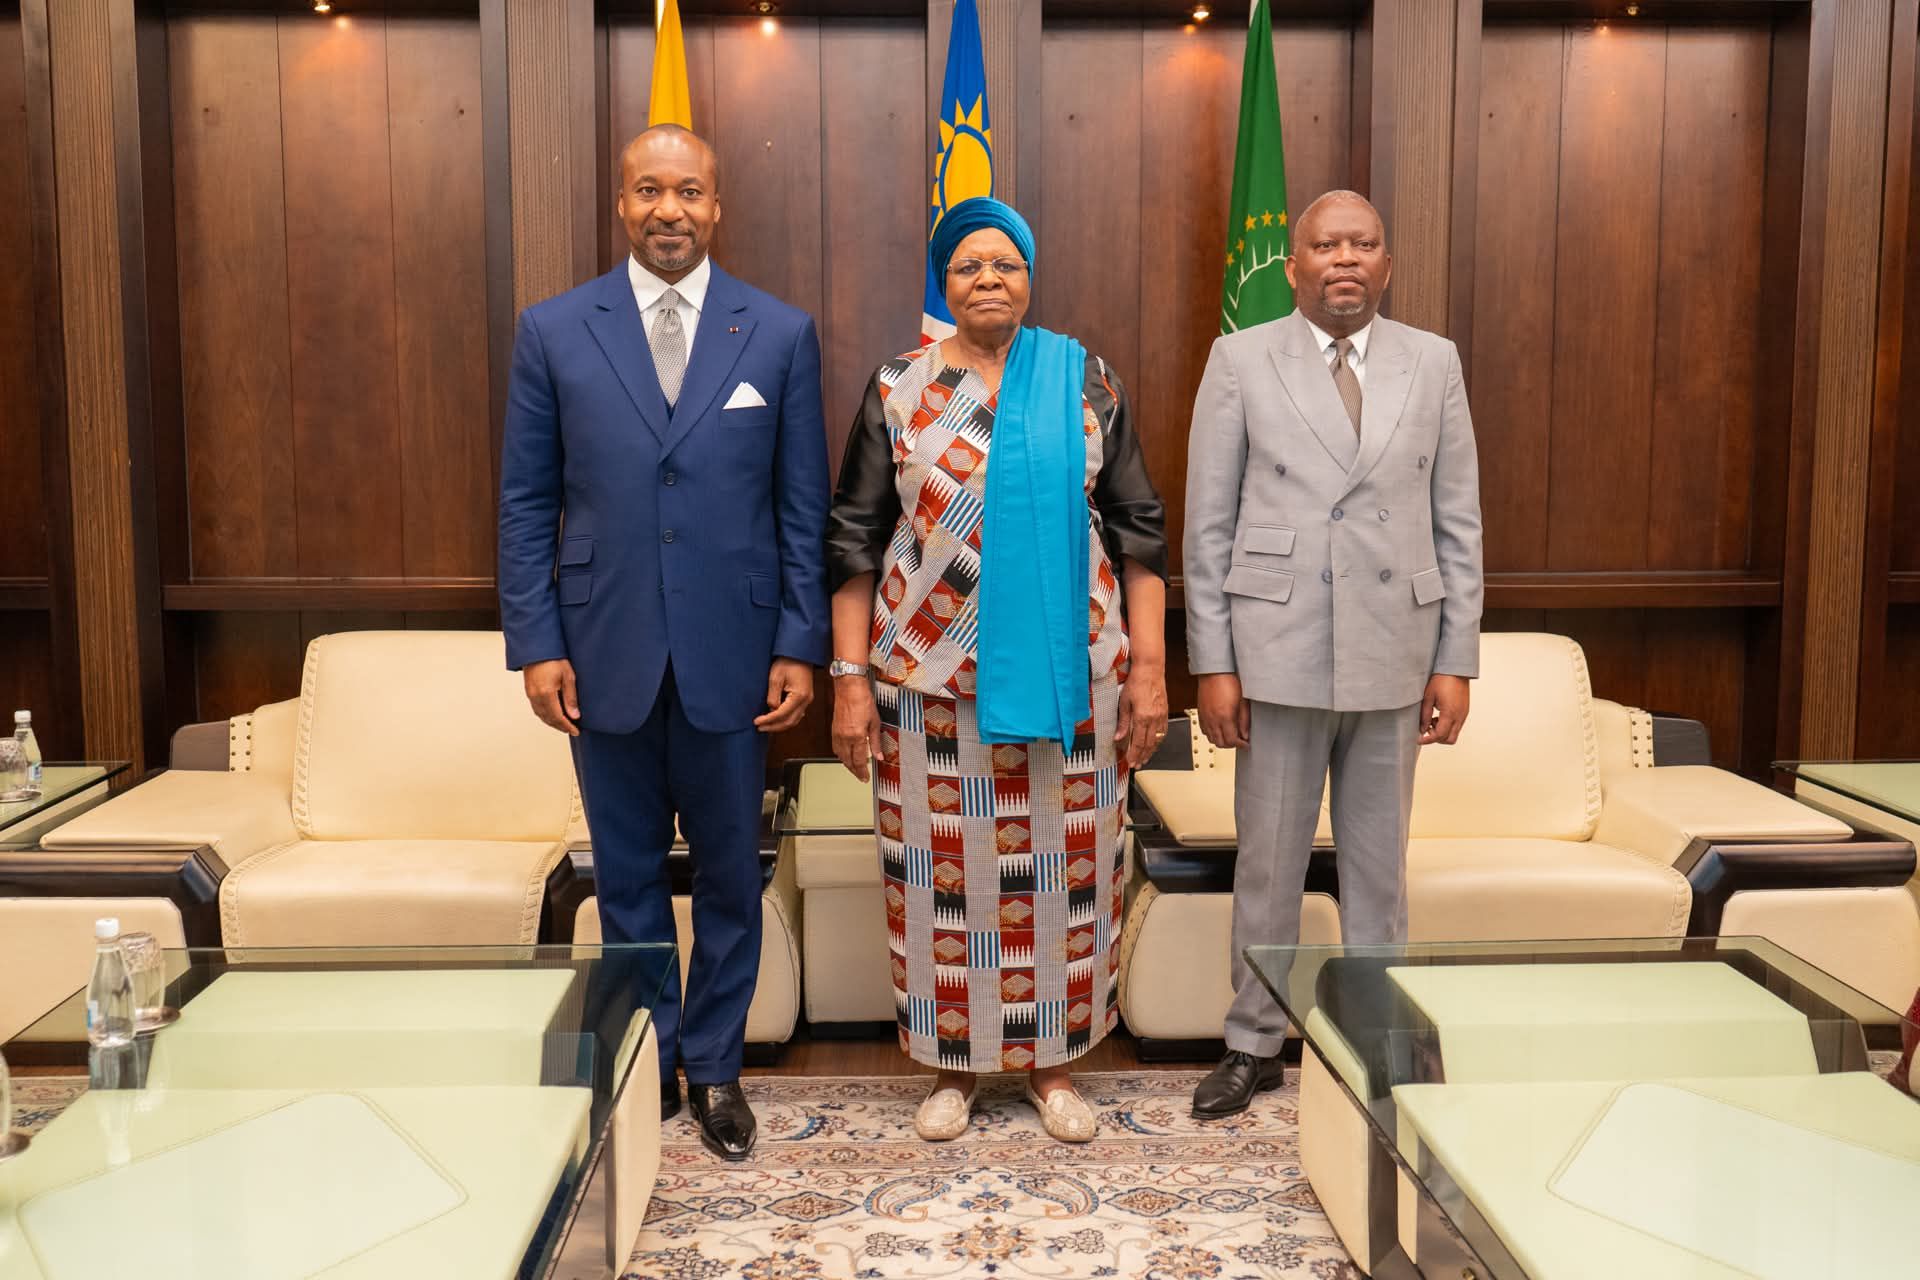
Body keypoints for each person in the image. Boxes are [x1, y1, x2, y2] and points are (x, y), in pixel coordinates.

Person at [497, 125, 830, 1160]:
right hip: (602, 656)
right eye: (650, 190)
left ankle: (717, 1066)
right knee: (629, 879)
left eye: (688, 191)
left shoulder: (776, 333)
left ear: (717, 205)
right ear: (622, 202)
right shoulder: (554, 330)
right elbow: (526, 501)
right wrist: (536, 641)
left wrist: (801, 641)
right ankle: (653, 1054)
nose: (669, 209)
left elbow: (800, 509)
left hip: (737, 655)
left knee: (731, 873)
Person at [825, 197, 1168, 1144]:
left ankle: (1055, 1068)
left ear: (1030, 278)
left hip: (1072, 686)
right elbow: (853, 535)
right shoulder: (899, 386)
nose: (989, 278)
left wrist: (1150, 670)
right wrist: (849, 677)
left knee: (1066, 878)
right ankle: (953, 1068)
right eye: (970, 264)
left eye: (1006, 264)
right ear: (945, 282)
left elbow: (1139, 530)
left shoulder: (1084, 381)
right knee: (940, 882)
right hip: (929, 689)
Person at [1183, 190, 1483, 1118]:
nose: (1344, 257)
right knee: (1269, 861)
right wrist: (1214, 661)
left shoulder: (1433, 362)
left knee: (1379, 865)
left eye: (1364, 243)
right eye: (1325, 243)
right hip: (1275, 647)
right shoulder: (1240, 358)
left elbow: (1459, 518)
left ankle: (1378, 1040)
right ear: (1295, 264)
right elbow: (1209, 523)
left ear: (1387, 264)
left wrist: (1456, 658)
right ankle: (1253, 1042)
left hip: (1398, 645)